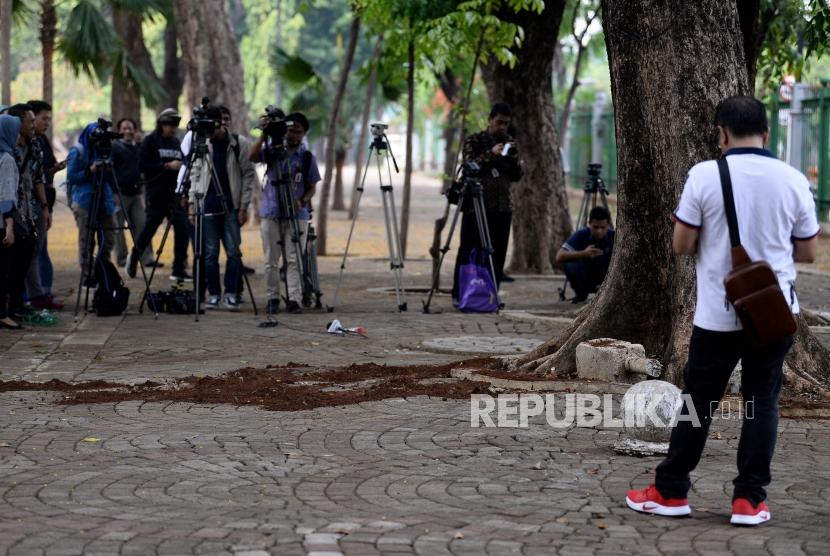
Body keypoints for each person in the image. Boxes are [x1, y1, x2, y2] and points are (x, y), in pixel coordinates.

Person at [625, 95, 820, 526]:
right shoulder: (791, 180)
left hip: (717, 315)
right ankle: (749, 501)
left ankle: (671, 491)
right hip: (773, 314)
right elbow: (807, 250)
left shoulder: (704, 175)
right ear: (767, 134)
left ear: (721, 133)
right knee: (761, 403)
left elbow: (681, 244)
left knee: (698, 402)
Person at [185, 105, 256, 310]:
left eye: (211, 126)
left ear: (219, 123)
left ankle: (231, 293)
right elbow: (194, 175)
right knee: (210, 254)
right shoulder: (202, 143)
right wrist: (192, 204)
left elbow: (248, 175)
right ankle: (214, 294)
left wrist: (243, 206)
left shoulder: (237, 143)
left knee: (234, 252)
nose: (207, 132)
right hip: (206, 207)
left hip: (231, 208)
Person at [451, 102, 522, 306]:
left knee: (498, 252)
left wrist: (514, 159)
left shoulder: (510, 142)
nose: (502, 127)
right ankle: (460, 293)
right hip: (477, 205)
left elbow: (517, 176)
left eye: (506, 123)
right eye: (499, 122)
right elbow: (469, 164)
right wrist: (492, 153)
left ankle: (491, 294)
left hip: (502, 206)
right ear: (490, 120)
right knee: (468, 248)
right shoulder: (474, 140)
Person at [250, 111, 320, 314]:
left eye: (299, 132)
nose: (294, 135)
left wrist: (302, 201)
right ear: (283, 130)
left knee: (294, 259)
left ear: (304, 134)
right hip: (271, 211)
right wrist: (264, 133)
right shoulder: (271, 150)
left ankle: (294, 299)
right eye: (290, 130)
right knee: (270, 259)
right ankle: (272, 298)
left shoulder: (307, 157)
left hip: (297, 215)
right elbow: (252, 157)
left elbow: (312, 185)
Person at [128, 108, 190, 282]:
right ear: (161, 124)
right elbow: (142, 166)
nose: (172, 128)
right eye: (169, 124)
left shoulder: (176, 142)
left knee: (183, 230)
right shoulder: (150, 141)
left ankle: (178, 268)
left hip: (175, 195)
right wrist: (165, 166)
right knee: (149, 229)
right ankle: (134, 257)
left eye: (175, 125)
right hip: (156, 195)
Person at [66, 121, 118, 286]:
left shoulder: (105, 151)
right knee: (87, 240)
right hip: (85, 201)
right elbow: (72, 177)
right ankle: (88, 275)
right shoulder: (78, 151)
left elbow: (111, 176)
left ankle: (102, 269)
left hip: (105, 200)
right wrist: (90, 170)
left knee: (108, 237)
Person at [6, 104, 45, 318]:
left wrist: (44, 207)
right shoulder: (6, 147)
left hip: (29, 210)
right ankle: (10, 305)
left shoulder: (35, 144)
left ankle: (18, 303)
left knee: (26, 255)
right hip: (10, 210)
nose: (34, 125)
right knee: (11, 259)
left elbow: (38, 177)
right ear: (17, 123)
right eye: (30, 121)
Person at [28, 100, 64, 309]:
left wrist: (56, 168)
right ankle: (36, 294)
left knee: (41, 249)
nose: (47, 123)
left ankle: (42, 292)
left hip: (44, 203)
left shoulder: (42, 141)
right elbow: (36, 177)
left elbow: (44, 172)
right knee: (36, 251)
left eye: (49, 119)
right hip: (34, 205)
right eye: (44, 119)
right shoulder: (27, 144)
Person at [111, 117, 156, 269]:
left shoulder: (139, 147)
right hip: (120, 193)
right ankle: (122, 258)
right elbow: (110, 171)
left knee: (142, 225)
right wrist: (113, 192)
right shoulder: (114, 147)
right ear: (119, 130)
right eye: (124, 128)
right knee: (118, 229)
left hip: (137, 194)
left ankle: (146, 257)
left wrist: (142, 143)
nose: (127, 131)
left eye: (130, 128)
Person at [555, 206, 615, 302]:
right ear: (589, 224)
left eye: (603, 227)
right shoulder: (581, 234)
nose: (599, 231)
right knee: (570, 263)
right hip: (586, 276)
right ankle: (581, 294)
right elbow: (559, 256)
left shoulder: (614, 236)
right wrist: (583, 253)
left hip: (606, 278)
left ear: (608, 225)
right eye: (595, 227)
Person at [0, 114, 23, 329]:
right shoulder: (6, 159)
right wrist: (9, 227)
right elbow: (6, 195)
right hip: (1, 222)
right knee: (3, 271)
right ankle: (2, 314)